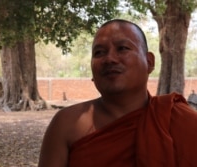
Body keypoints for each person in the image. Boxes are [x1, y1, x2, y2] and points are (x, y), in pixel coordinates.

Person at [38, 19, 197, 167]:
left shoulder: (182, 121)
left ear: (149, 62)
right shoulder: (67, 124)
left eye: (122, 48)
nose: (110, 59)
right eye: (99, 52)